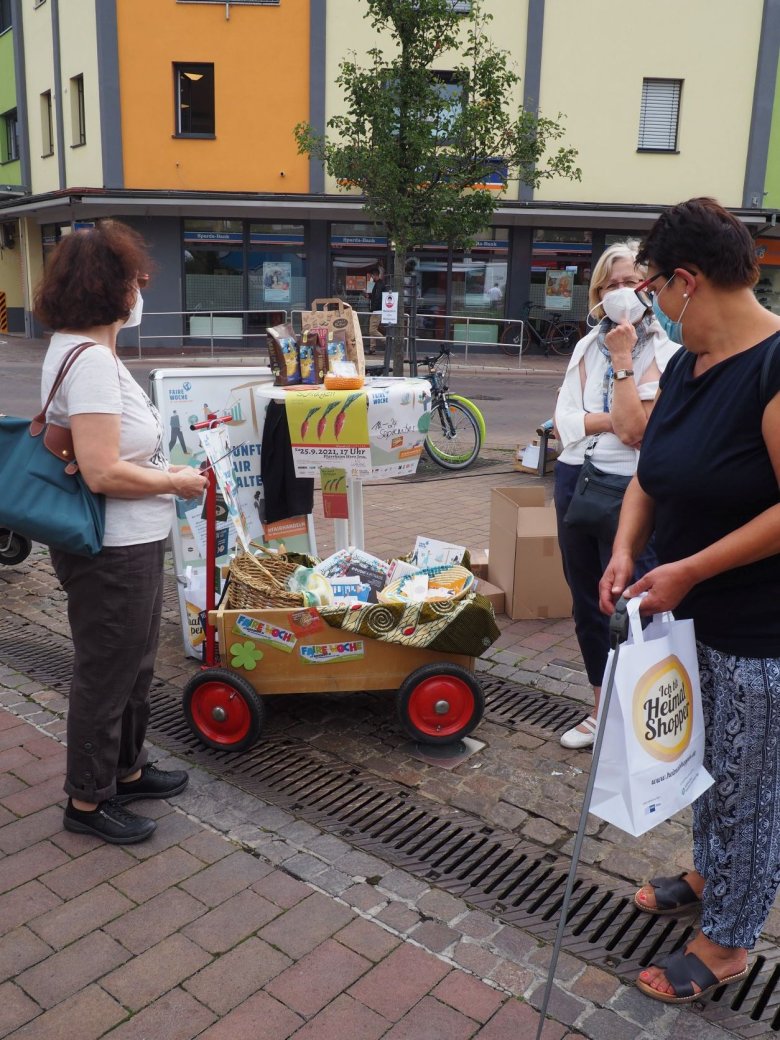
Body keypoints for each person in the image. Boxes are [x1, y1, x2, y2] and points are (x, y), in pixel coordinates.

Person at [599, 197, 780, 1004]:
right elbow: (649, 471)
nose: (651, 307)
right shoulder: (682, 366)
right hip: (682, 613)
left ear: (685, 281)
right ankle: (712, 874)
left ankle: (729, 942)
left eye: (653, 291)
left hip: (753, 626)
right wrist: (626, 549)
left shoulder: (774, 365)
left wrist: (693, 568)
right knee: (699, 764)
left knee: (750, 786)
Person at [35, 220, 209, 845]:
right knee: (108, 672)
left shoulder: (91, 353)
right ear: (111, 288)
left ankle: (127, 768)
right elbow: (105, 470)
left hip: (130, 540)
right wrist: (176, 483)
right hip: (111, 547)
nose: (142, 291)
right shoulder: (89, 363)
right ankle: (86, 801)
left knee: (133, 665)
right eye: (136, 280)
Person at [554, 241, 677, 749]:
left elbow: (635, 433)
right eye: (611, 284)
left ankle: (643, 714)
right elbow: (564, 422)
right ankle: (602, 704)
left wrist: (623, 360)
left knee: (632, 604)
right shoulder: (585, 348)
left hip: (633, 490)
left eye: (631, 282)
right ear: (597, 294)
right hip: (575, 479)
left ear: (647, 289)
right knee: (586, 600)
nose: (622, 293)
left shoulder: (667, 353)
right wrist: (607, 421)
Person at [367, 264, 387, 355]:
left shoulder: (379, 284)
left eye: (372, 276)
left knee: (372, 330)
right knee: (372, 328)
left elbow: (377, 297)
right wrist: (370, 285)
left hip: (377, 310)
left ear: (374, 275)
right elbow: (370, 296)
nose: (371, 277)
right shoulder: (376, 284)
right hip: (376, 310)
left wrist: (373, 307)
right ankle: (372, 348)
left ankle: (387, 341)